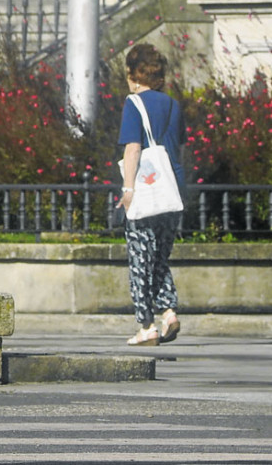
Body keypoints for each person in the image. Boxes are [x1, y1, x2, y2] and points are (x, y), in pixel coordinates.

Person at [116, 43, 184, 347]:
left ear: (133, 74)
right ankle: (169, 311)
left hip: (146, 191)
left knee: (140, 259)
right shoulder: (172, 104)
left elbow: (133, 148)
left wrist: (128, 188)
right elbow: (179, 147)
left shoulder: (134, 103)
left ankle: (146, 326)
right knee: (160, 257)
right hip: (172, 192)